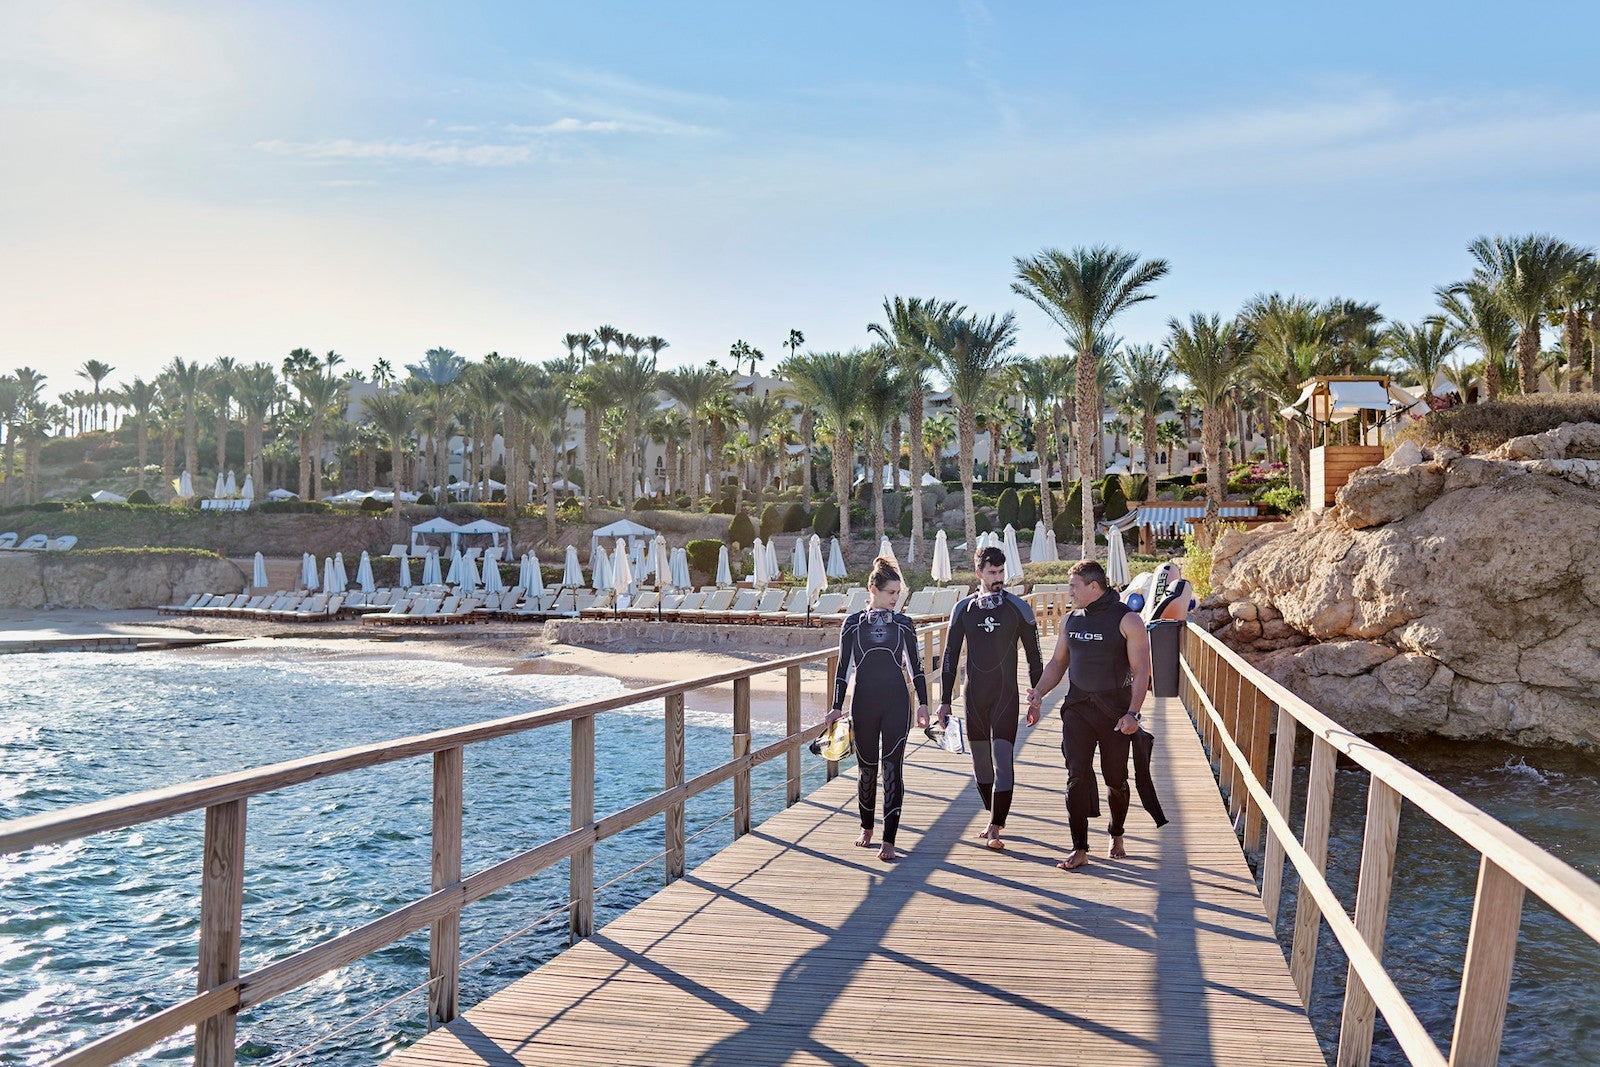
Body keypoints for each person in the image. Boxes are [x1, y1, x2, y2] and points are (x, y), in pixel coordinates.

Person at [1027, 558, 1151, 871]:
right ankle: (1079, 847)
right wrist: (1038, 693)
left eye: (1073, 586)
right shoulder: (1070, 620)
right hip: (1078, 709)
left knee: (1115, 778)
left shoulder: (1128, 621)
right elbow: (1057, 664)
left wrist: (1133, 713)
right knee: (1076, 775)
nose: (1068, 592)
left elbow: (1141, 671)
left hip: (1115, 712)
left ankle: (1116, 833)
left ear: (1093, 587)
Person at [937, 546, 1042, 851]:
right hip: (974, 696)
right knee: (981, 766)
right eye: (992, 573)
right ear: (979, 573)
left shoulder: (1018, 609)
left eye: (1001, 572)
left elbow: (1035, 658)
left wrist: (1036, 698)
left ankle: (996, 826)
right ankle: (993, 813)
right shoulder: (963, 610)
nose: (998, 578)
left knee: (1003, 761)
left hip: (1006, 694)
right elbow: (949, 658)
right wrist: (944, 701)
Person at [826, 556, 929, 862]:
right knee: (866, 770)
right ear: (873, 588)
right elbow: (843, 668)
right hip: (864, 703)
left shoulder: (903, 624)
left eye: (898, 593)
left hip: (897, 702)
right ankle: (867, 827)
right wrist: (835, 708)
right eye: (891, 593)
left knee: (893, 769)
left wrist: (924, 704)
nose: (896, 599)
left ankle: (889, 840)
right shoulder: (853, 623)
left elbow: (917, 668)